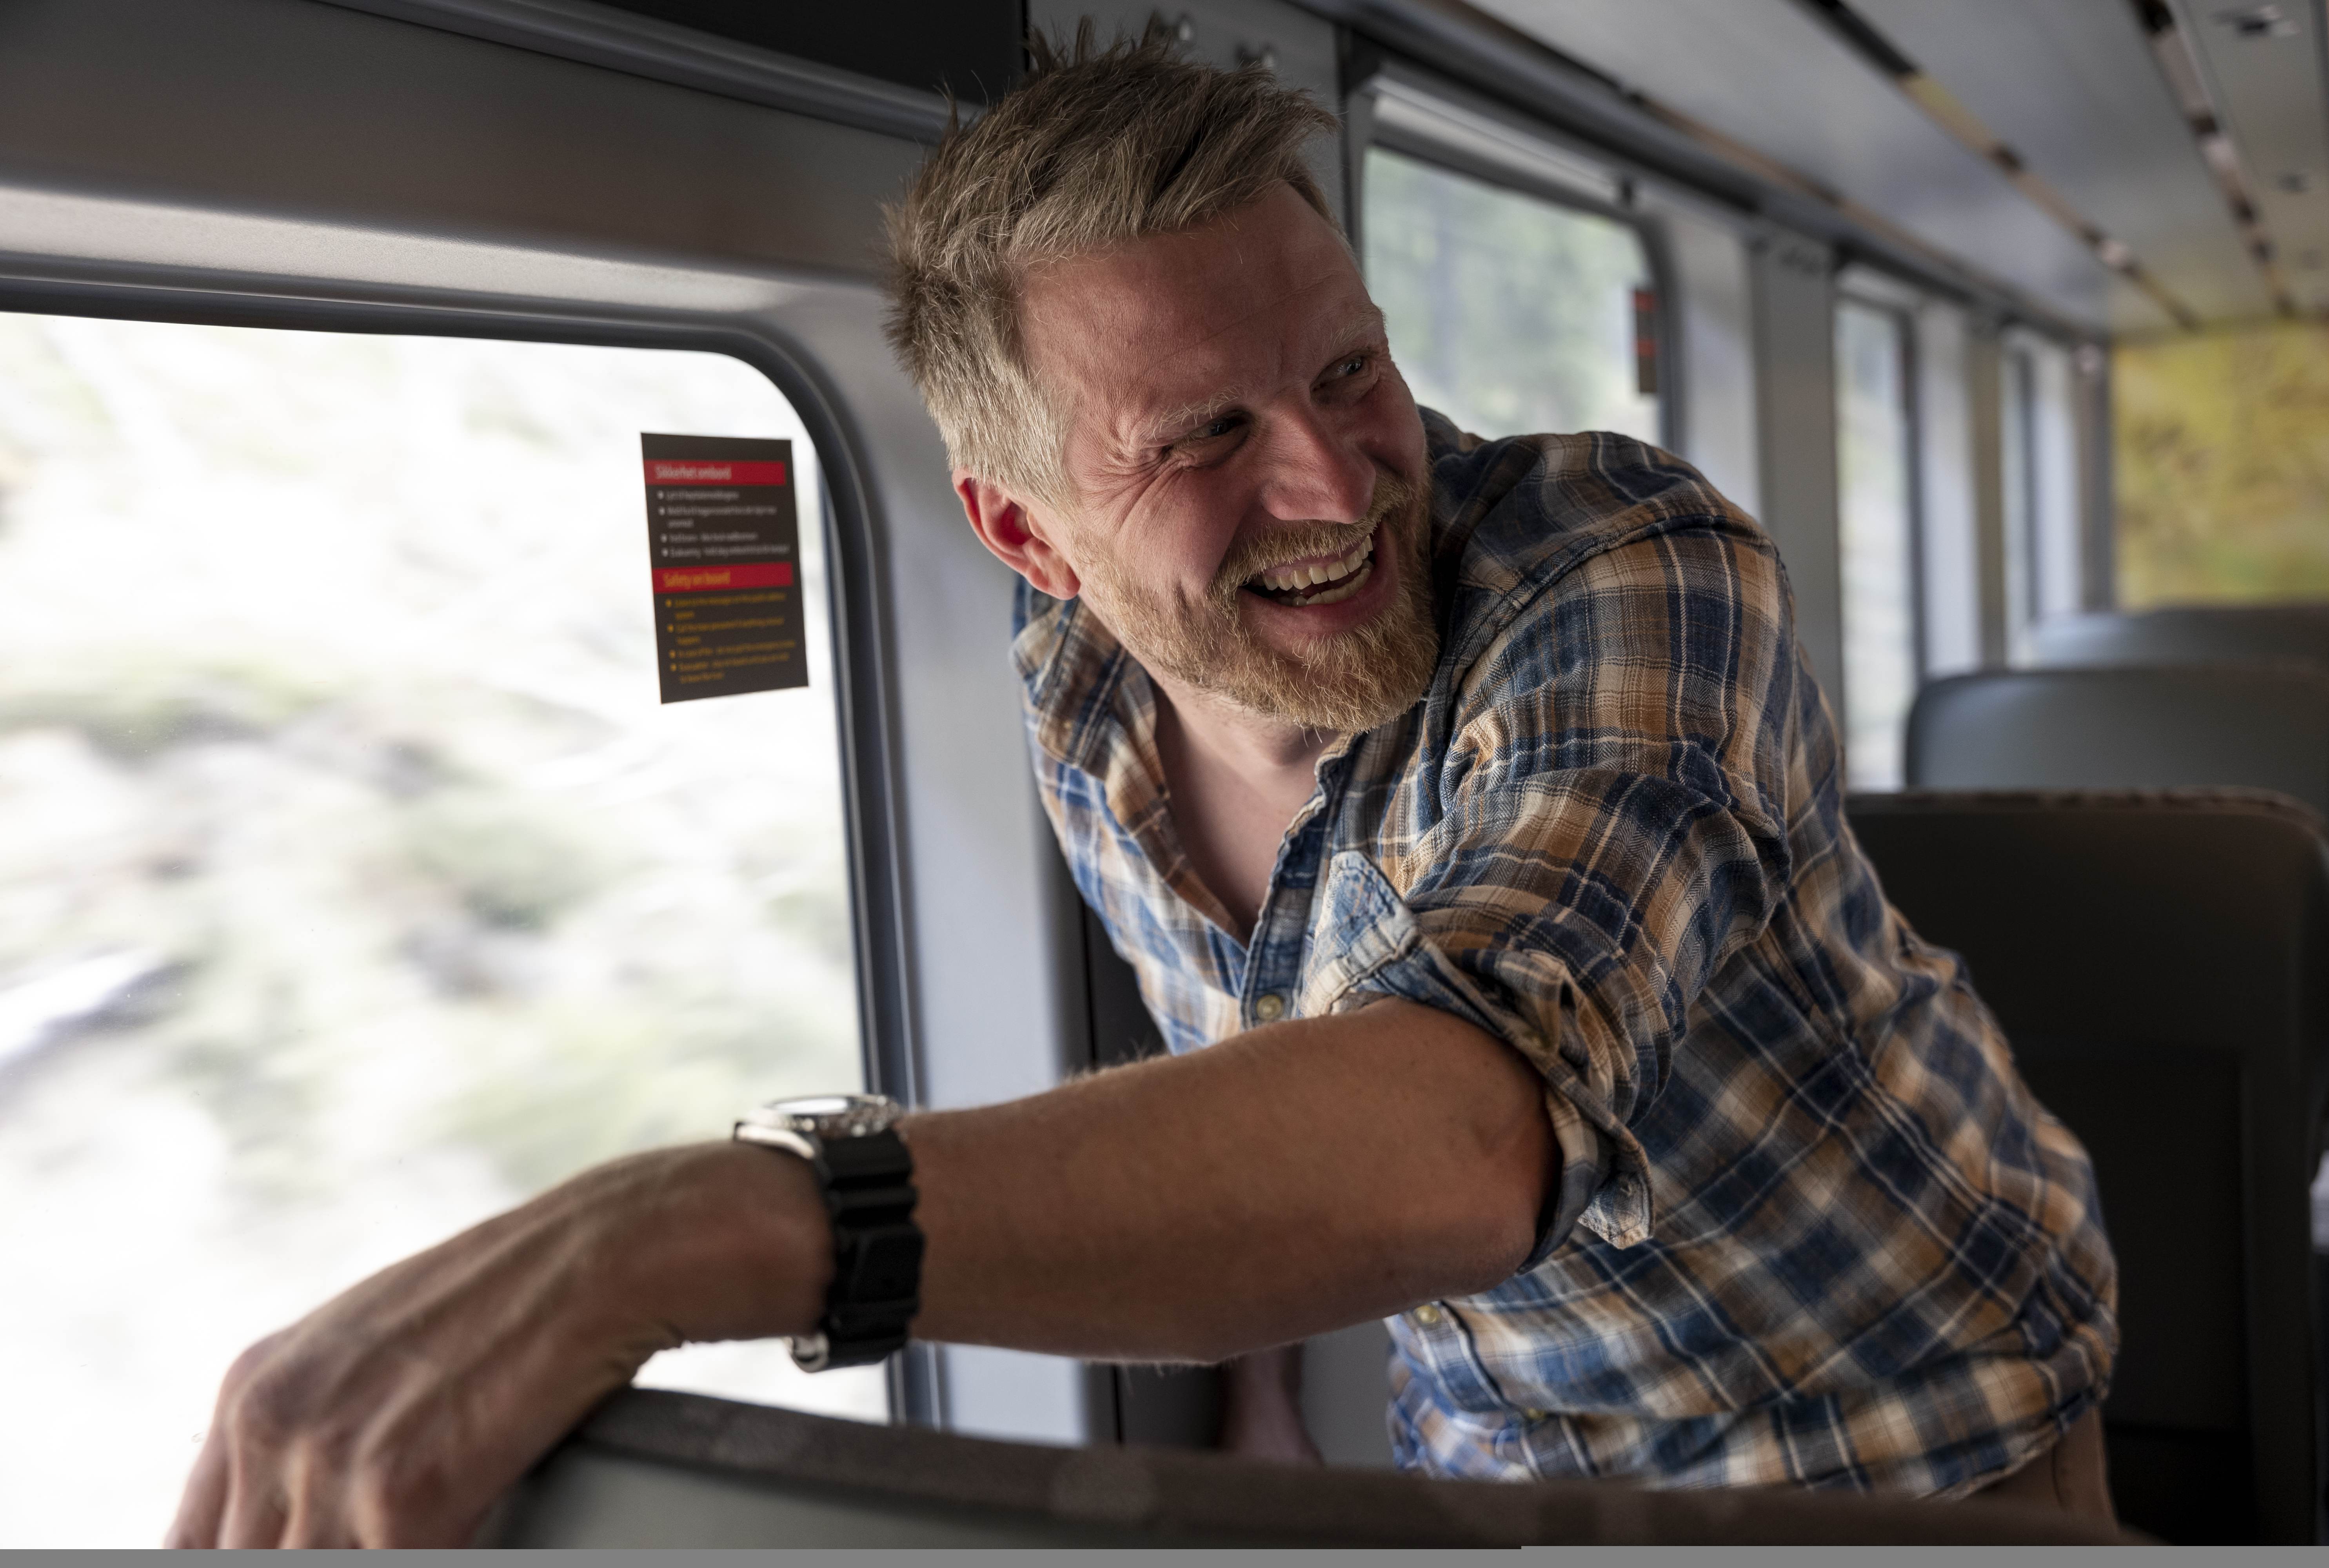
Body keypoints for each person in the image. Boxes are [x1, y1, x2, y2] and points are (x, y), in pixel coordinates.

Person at [166, 34, 2118, 1548]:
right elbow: (1262, 1066)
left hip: (1915, 1457)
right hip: (1517, 1478)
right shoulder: (1086, 719)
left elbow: (1451, 1128)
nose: (1343, 484)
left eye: (1348, 369)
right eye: (1205, 434)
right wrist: (1262, 1395)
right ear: (1024, 528)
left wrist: (707, 1224)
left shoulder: (1629, 572)